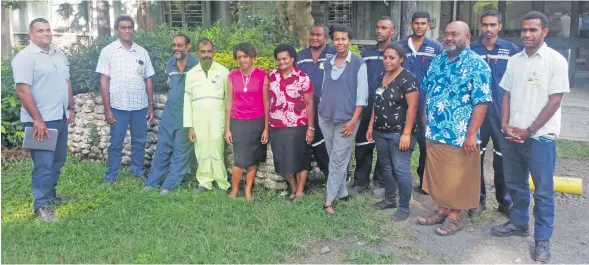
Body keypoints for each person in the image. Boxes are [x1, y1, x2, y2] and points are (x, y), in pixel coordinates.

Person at [491, 11, 570, 263]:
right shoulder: (514, 61)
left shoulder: (556, 61)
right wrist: (504, 124)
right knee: (515, 184)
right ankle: (519, 223)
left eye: (532, 30)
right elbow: (506, 94)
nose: (527, 34)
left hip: (540, 138)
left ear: (544, 32)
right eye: (524, 30)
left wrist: (531, 130)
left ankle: (542, 240)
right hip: (512, 134)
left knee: (544, 191)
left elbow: (555, 101)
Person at [416, 21, 491, 236]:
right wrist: (425, 120)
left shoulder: (477, 65)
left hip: (460, 134)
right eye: (446, 33)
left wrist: (470, 136)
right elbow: (427, 92)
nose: (449, 38)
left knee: (459, 176)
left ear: (467, 36)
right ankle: (442, 210)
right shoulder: (437, 61)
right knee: (439, 175)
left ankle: (456, 216)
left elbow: (481, 103)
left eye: (455, 34)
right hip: (435, 131)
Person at [12, 18, 74, 222]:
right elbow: (22, 90)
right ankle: (41, 206)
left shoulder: (59, 55)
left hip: (60, 116)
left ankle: (51, 196)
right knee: (43, 164)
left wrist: (70, 107)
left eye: (48, 30)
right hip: (41, 121)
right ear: (31, 35)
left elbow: (66, 82)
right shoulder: (25, 57)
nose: (46, 34)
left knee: (58, 160)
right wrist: (37, 119)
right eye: (40, 31)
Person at [468, 10, 519, 217]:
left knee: (502, 158)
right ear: (480, 26)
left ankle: (504, 201)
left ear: (500, 26)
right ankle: (477, 199)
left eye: (492, 25)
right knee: (474, 157)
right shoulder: (472, 50)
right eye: (484, 25)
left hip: (502, 114)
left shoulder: (511, 50)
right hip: (477, 113)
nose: (488, 29)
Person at [97, 15, 155, 185]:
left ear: (133, 29)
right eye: (123, 27)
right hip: (118, 105)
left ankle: (138, 172)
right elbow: (104, 80)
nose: (127, 30)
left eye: (130, 27)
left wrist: (150, 105)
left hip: (140, 105)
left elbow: (148, 79)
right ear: (117, 30)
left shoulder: (142, 52)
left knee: (139, 142)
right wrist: (107, 109)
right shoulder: (108, 51)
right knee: (115, 143)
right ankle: (111, 176)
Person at [366, 42, 419, 221]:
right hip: (380, 132)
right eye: (385, 57)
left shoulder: (408, 79)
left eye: (392, 58)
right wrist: (370, 126)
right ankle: (390, 200)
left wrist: (406, 134)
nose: (387, 61)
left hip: (399, 133)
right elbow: (377, 102)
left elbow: (412, 108)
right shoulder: (382, 76)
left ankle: (404, 206)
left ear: (401, 59)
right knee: (386, 168)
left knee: (401, 169)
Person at [319, 24, 368, 215]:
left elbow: (362, 97)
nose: (340, 42)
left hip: (347, 120)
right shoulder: (328, 62)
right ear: (332, 40)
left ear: (349, 41)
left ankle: (329, 200)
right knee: (335, 156)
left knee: (338, 159)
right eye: (337, 39)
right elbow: (324, 89)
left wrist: (353, 121)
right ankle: (343, 192)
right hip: (326, 117)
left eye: (344, 39)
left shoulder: (358, 63)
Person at [142, 34, 198, 194]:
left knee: (181, 150)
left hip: (187, 112)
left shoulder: (196, 65)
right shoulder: (170, 63)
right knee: (163, 148)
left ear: (188, 46)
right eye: (174, 45)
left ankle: (169, 186)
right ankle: (151, 183)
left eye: (180, 45)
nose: (176, 48)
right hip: (169, 112)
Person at [398, 11, 444, 195]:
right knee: (400, 139)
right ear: (411, 24)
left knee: (427, 143)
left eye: (423, 23)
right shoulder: (400, 46)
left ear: (429, 25)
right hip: (402, 102)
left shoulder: (436, 48)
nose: (419, 26)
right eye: (416, 23)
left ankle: (425, 181)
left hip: (427, 103)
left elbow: (440, 74)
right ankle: (398, 180)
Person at [354, 16, 396, 199]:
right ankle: (361, 181)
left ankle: (380, 181)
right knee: (363, 144)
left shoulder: (396, 52)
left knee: (384, 146)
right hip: (366, 105)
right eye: (378, 27)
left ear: (392, 31)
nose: (379, 31)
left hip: (388, 107)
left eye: (384, 28)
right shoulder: (368, 52)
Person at [183, 38, 230, 194]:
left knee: (217, 149)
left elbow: (229, 100)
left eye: (209, 51)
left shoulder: (223, 72)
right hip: (198, 120)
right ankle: (204, 183)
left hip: (218, 119)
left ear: (213, 52)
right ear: (197, 53)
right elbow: (187, 101)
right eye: (203, 52)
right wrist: (190, 127)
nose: (206, 55)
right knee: (201, 151)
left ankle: (222, 183)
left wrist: (228, 126)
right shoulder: (190, 74)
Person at [268, 44, 315, 201]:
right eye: (279, 59)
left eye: (285, 58)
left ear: (292, 59)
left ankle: (300, 190)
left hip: (298, 124)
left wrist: (310, 128)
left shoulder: (303, 78)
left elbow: (309, 104)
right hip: (277, 125)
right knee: (282, 159)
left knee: (301, 157)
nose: (281, 62)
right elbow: (268, 101)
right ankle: (293, 188)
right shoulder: (271, 76)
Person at [225, 42, 270, 201]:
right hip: (238, 121)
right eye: (239, 57)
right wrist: (227, 129)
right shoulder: (232, 76)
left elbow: (266, 103)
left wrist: (266, 128)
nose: (242, 60)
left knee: (253, 158)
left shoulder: (262, 76)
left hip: (257, 121)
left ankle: (248, 191)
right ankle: (234, 190)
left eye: (245, 56)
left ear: (252, 57)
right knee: (240, 158)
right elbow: (229, 103)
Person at [296, 24, 336, 180]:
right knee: (313, 142)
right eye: (312, 34)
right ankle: (326, 175)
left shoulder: (333, 54)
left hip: (328, 108)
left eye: (318, 35)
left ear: (326, 38)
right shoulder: (300, 55)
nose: (314, 37)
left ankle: (338, 176)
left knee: (330, 143)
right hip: (304, 108)